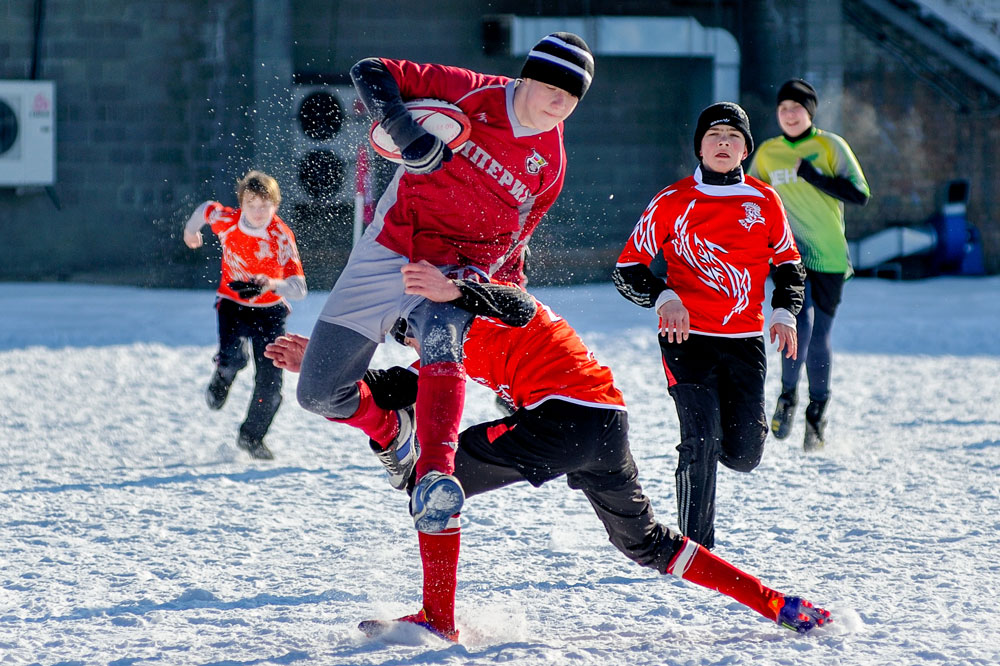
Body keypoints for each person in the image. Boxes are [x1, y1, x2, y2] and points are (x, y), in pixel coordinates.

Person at [265, 263, 831, 642]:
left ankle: (439, 618)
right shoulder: (460, 343)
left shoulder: (489, 311)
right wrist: (324, 360)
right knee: (648, 544)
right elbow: (405, 384)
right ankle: (776, 604)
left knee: (433, 481)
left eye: (407, 328)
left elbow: (506, 302)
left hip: (567, 419)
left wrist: (456, 291)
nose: (411, 338)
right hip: (608, 425)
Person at [295, 33, 595, 533]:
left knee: (441, 335)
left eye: (573, 97)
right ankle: (393, 427)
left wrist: (479, 293)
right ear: (528, 76)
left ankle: (435, 470)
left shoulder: (552, 165)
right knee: (320, 394)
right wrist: (406, 132)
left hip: (458, 268)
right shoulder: (470, 92)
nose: (560, 103)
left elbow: (513, 244)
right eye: (553, 87)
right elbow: (371, 68)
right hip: (393, 243)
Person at [612, 103, 806, 551]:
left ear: (745, 149)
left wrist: (783, 312)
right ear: (699, 146)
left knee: (742, 455)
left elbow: (790, 266)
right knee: (699, 439)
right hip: (687, 340)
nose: (723, 143)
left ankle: (715, 446)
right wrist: (664, 296)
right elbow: (628, 270)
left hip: (744, 343)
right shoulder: (673, 201)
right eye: (714, 135)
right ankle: (696, 549)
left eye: (733, 136)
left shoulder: (764, 200)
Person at [748, 79, 871, 451]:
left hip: (830, 255)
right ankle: (788, 397)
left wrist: (815, 176)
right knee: (796, 325)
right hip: (789, 256)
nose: (789, 114)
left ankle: (817, 411)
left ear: (809, 112)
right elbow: (751, 200)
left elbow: (860, 194)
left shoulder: (830, 146)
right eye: (783, 108)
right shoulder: (768, 152)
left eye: (796, 108)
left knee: (820, 338)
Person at [183, 170, 307, 460]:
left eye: (266, 205)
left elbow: (300, 288)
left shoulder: (280, 235)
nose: (259, 211)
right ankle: (222, 377)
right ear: (242, 204)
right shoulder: (228, 221)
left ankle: (251, 436)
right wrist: (191, 231)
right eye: (252, 204)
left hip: (270, 312)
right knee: (234, 357)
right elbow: (205, 209)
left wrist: (272, 283)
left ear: (275, 205)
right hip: (232, 304)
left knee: (271, 384)